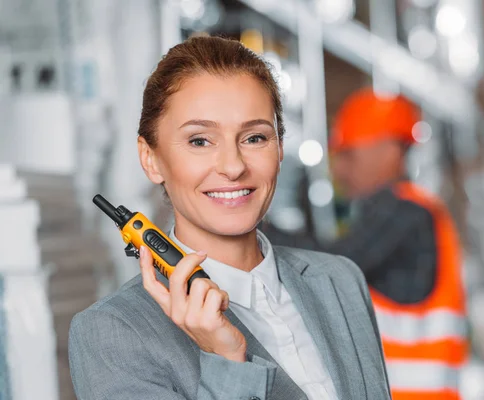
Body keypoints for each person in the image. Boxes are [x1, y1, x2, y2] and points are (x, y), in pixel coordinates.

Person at [67, 37, 390, 400]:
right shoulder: (114, 333)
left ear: (280, 147)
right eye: (200, 141)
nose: (234, 167)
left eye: (254, 137)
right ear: (150, 159)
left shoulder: (339, 281)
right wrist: (226, 363)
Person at [263, 88, 468, 399]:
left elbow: (329, 264)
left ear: (388, 151)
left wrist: (254, 228)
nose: (340, 170)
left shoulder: (404, 212)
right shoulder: (415, 213)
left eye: (349, 154)